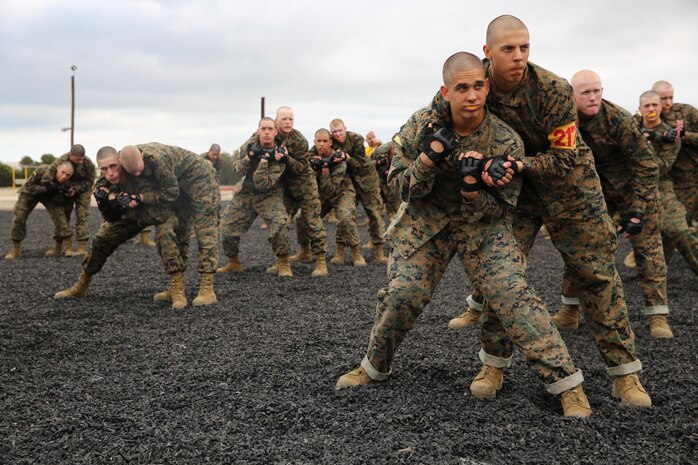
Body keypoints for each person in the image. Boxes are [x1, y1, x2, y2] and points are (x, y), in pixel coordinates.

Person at [337, 52, 591, 418]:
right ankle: (374, 366)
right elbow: (401, 188)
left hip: (482, 227)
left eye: (476, 86)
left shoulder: (505, 139)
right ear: (446, 91)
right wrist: (427, 159)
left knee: (512, 293)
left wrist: (472, 190)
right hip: (427, 222)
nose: (471, 96)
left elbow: (502, 209)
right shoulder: (421, 125)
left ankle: (568, 384)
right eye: (461, 88)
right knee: (403, 294)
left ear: (486, 87)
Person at [449, 15, 650, 407]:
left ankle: (625, 374)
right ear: (488, 52)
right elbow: (445, 118)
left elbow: (563, 157)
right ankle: (493, 365)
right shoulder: (476, 84)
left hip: (570, 188)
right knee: (502, 274)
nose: (519, 56)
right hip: (516, 195)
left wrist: (517, 164)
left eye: (524, 47)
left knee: (597, 275)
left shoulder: (553, 89)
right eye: (508, 49)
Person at [547, 70, 671, 339]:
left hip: (634, 190)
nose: (593, 97)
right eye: (586, 93)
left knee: (648, 251)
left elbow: (646, 165)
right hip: (596, 193)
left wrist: (637, 210)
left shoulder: (618, 119)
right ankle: (569, 311)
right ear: (572, 95)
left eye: (597, 91)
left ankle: (657, 316)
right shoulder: (565, 120)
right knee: (579, 247)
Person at [54, 146, 190, 309]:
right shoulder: (103, 184)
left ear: (120, 162)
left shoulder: (137, 171)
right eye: (104, 169)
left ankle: (177, 288)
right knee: (101, 239)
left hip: (160, 212)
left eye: (113, 166)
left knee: (165, 235)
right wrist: (106, 204)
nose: (110, 173)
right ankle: (82, 284)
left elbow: (167, 196)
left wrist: (137, 199)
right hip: (133, 216)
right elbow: (111, 219)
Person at [119, 142, 220, 306]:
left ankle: (207, 288)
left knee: (205, 230)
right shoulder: (122, 160)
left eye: (139, 170)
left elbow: (170, 193)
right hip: (178, 184)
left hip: (200, 180)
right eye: (133, 173)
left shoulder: (157, 160)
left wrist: (141, 197)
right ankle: (176, 288)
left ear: (142, 156)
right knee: (179, 230)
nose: (137, 174)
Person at [241, 107, 328, 277]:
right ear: (276, 121)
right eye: (284, 119)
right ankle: (283, 260)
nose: (288, 122)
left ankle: (320, 261)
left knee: (312, 221)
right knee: (278, 222)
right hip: (283, 186)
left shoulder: (299, 140)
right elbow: (248, 148)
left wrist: (287, 158)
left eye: (291, 119)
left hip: (304, 185)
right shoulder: (268, 133)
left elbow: (301, 167)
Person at [218, 117, 293, 277]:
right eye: (263, 129)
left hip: (269, 194)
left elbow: (264, 184)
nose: (266, 132)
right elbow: (237, 170)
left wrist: (264, 159)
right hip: (246, 193)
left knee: (280, 225)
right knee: (226, 229)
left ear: (275, 132)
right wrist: (249, 157)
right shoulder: (249, 146)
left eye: (270, 129)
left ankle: (283, 263)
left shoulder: (279, 154)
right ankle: (234, 263)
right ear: (258, 131)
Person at [637, 90, 698, 276]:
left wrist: (651, 140)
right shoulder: (631, 126)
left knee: (678, 229)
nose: (651, 109)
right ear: (640, 109)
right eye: (647, 106)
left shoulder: (671, 135)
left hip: (660, 185)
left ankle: (654, 271)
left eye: (655, 105)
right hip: (627, 186)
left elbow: (660, 169)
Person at [304, 129, 366, 267]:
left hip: (342, 192)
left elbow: (331, 188)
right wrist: (314, 166)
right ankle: (305, 251)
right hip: (322, 194)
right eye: (319, 141)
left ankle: (355, 252)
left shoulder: (338, 159)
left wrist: (325, 170)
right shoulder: (310, 158)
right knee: (301, 218)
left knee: (346, 217)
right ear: (314, 142)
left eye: (325, 141)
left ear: (330, 142)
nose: (322, 144)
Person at [330, 119, 388, 263]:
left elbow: (360, 164)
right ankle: (340, 251)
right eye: (334, 132)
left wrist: (347, 158)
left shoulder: (356, 139)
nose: (338, 134)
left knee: (375, 215)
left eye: (340, 131)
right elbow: (315, 151)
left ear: (345, 129)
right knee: (344, 215)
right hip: (349, 183)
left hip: (367, 181)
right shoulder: (330, 141)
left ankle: (379, 252)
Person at [4, 162, 74, 260]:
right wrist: (48, 188)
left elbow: (62, 198)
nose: (64, 176)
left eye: (68, 175)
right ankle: (16, 249)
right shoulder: (42, 170)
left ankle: (63, 246)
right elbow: (29, 186)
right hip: (30, 194)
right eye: (63, 172)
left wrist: (67, 193)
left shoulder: (67, 182)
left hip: (49, 196)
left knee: (60, 217)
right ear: (58, 168)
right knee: (19, 217)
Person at [652, 80, 698, 226]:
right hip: (666, 180)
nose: (668, 102)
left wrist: (684, 135)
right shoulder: (648, 117)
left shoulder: (687, 112)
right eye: (663, 98)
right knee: (674, 225)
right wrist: (659, 136)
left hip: (691, 177)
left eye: (670, 97)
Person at [41, 144, 96, 256]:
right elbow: (47, 179)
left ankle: (82, 247)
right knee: (63, 218)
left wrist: (75, 189)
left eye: (82, 159)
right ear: (70, 155)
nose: (81, 162)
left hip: (82, 191)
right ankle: (58, 246)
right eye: (78, 160)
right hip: (65, 190)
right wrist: (61, 188)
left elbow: (90, 181)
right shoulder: (61, 161)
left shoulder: (88, 163)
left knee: (82, 216)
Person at [373, 141, 402, 220]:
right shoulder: (382, 152)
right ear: (393, 149)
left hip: (386, 176)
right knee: (390, 198)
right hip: (378, 177)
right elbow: (381, 169)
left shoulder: (399, 149)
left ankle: (395, 215)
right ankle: (395, 216)